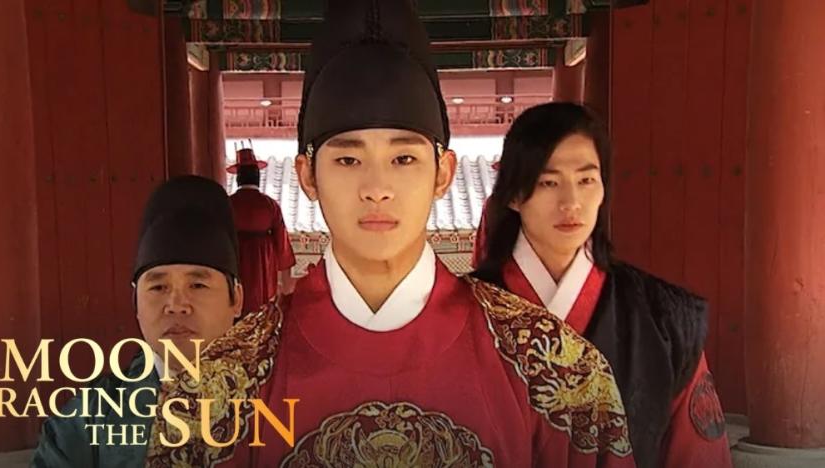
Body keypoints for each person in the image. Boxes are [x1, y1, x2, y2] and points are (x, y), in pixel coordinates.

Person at [147, 2, 635, 467]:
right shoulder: (217, 385)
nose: (376, 188)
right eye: (347, 159)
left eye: (404, 159)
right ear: (307, 176)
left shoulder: (554, 367)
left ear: (443, 172)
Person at [471, 102, 731, 468]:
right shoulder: (463, 314)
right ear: (513, 195)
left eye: (586, 180)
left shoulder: (665, 320)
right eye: (548, 182)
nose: (571, 202)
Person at [31, 176, 245, 467]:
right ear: (135, 303)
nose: (177, 306)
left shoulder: (284, 403)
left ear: (237, 299)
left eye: (198, 286)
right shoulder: (89, 417)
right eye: (158, 287)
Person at [227, 147, 297, 315]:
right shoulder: (270, 205)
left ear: (238, 178)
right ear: (257, 177)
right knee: (262, 307)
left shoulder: (227, 204)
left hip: (235, 259)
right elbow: (282, 246)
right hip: (263, 262)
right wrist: (286, 287)